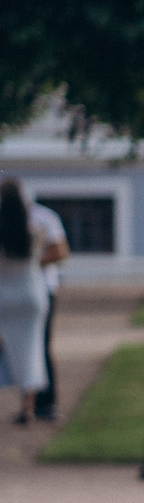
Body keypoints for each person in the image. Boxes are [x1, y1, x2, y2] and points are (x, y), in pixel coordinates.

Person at [0, 178, 58, 426]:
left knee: (6, 350)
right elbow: (57, 251)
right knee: (32, 349)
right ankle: (28, 408)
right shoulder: (36, 231)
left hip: (4, 295)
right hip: (32, 294)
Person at [27, 193, 66, 420]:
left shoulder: (42, 217)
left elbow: (60, 251)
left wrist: (27, 261)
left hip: (40, 287)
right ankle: (33, 404)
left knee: (40, 345)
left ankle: (43, 403)